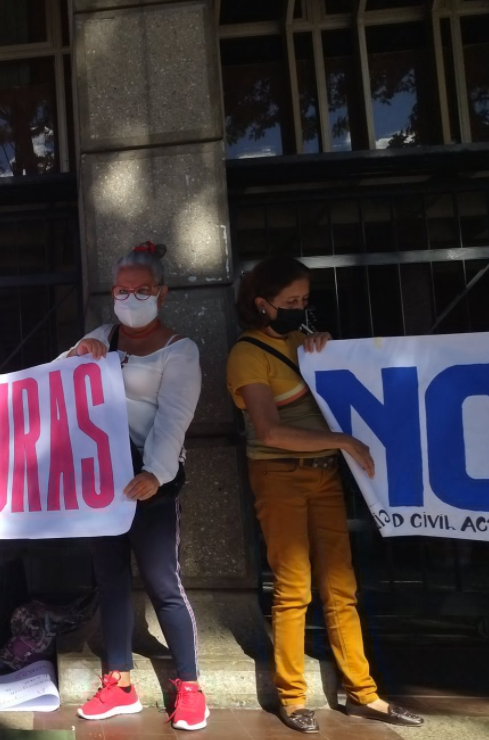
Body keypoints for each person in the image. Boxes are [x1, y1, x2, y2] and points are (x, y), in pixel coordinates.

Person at [226, 256, 424, 733]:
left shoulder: (300, 341)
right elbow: (270, 431)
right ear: (262, 304)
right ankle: (292, 697)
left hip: (324, 475)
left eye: (304, 300)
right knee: (293, 588)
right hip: (279, 477)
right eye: (290, 302)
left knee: (341, 587)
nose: (299, 308)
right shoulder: (246, 355)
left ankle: (364, 694)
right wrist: (341, 441)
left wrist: (327, 352)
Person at [60, 242, 208, 731]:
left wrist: (157, 474)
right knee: (111, 580)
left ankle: (189, 686)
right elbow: (57, 383)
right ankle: (118, 682)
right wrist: (80, 353)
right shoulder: (102, 335)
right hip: (103, 483)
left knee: (163, 582)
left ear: (161, 294)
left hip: (150, 481)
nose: (131, 298)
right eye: (123, 291)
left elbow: (174, 417)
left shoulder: (180, 349)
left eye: (142, 290)